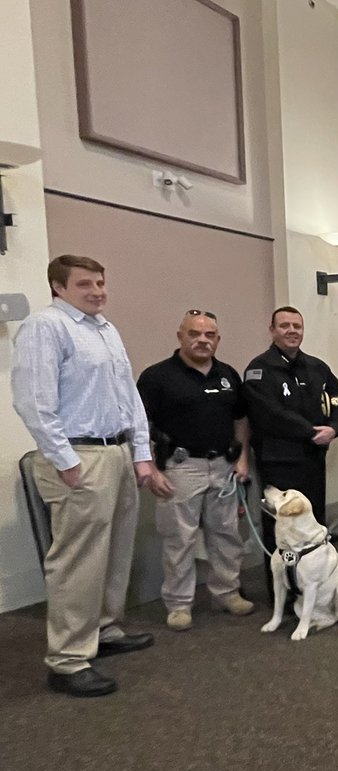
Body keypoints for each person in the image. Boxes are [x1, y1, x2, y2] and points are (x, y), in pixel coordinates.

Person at [11, 255, 155, 697]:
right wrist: (65, 460)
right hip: (78, 455)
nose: (97, 291)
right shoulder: (46, 327)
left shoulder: (105, 330)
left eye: (100, 283)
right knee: (77, 563)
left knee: (114, 552)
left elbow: (129, 395)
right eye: (85, 284)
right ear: (58, 286)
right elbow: (34, 401)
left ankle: (106, 631)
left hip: (115, 452)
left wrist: (141, 452)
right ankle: (68, 660)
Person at [137, 311, 256, 631]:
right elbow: (138, 425)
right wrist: (149, 468)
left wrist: (242, 457)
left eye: (210, 335)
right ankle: (178, 604)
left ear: (217, 339)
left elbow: (241, 420)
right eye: (195, 334)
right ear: (180, 336)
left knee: (227, 535)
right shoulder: (157, 377)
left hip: (223, 466)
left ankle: (227, 593)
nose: (202, 340)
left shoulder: (228, 375)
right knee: (179, 540)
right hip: (179, 467)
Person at [243, 307, 338, 574]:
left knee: (314, 524)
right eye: (285, 326)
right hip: (279, 462)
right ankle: (287, 589)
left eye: (297, 326)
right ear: (272, 330)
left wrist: (335, 428)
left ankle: (316, 584)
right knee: (282, 529)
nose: (292, 331)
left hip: (313, 460)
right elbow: (270, 414)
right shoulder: (259, 370)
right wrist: (312, 431)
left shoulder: (317, 367)